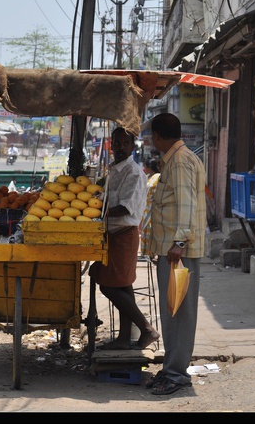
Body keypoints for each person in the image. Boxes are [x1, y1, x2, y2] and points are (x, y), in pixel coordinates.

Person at [146, 112, 206, 396]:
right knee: (172, 312)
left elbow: (186, 205)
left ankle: (176, 374)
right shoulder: (177, 159)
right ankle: (171, 368)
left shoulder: (180, 161)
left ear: (158, 136)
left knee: (179, 313)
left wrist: (179, 243)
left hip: (178, 252)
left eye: (151, 136)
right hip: (174, 250)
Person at [88, 128, 159, 351]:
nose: (119, 148)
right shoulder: (115, 170)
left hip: (123, 235)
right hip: (112, 234)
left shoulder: (134, 172)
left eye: (124, 144)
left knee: (108, 286)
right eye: (116, 143)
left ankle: (147, 329)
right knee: (124, 286)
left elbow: (124, 208)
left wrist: (96, 210)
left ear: (131, 145)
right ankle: (124, 337)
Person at [139, 157, 161, 257]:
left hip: (152, 211)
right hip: (148, 210)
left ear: (149, 168)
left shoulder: (156, 178)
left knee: (151, 235)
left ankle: (152, 254)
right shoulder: (152, 178)